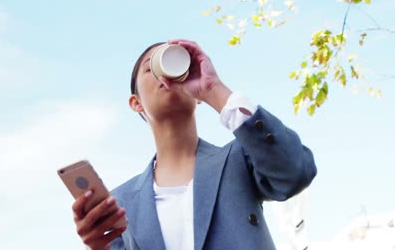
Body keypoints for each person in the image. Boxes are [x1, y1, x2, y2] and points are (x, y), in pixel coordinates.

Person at [71, 39, 317, 250]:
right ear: (136, 103)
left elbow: (295, 172)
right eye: (151, 67)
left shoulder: (239, 158)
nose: (166, 74)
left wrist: (213, 89)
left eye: (176, 63)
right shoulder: (120, 202)